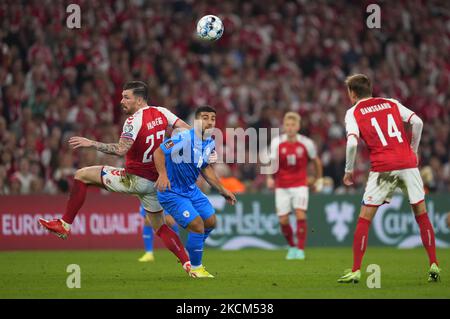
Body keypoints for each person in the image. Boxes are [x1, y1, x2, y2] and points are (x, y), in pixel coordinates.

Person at [39, 81, 192, 274]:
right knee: (160, 227)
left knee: (82, 175)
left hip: (133, 179)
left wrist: (91, 143)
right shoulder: (162, 112)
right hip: (154, 183)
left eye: (126, 97)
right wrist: (170, 147)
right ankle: (189, 264)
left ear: (138, 99)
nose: (122, 101)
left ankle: (64, 224)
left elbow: (120, 150)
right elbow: (187, 130)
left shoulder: (133, 121)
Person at [338, 74, 440, 283]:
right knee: (421, 214)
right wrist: (413, 150)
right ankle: (434, 264)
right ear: (370, 90)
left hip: (383, 168)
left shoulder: (353, 112)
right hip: (408, 164)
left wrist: (348, 170)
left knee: (365, 218)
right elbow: (418, 122)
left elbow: (351, 144)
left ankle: (357, 269)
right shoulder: (390, 103)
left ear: (353, 93)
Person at [153, 106, 237, 278]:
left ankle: (192, 250)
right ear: (196, 121)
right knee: (197, 225)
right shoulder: (183, 137)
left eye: (212, 118)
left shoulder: (209, 142)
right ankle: (196, 268)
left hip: (191, 190)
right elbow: (159, 152)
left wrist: (222, 189)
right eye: (205, 118)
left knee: (211, 222)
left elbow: (205, 168)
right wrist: (162, 175)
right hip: (172, 191)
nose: (210, 121)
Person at [266, 112, 323, 260]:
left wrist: (318, 179)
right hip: (282, 185)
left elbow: (316, 161)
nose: (290, 128)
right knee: (283, 220)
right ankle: (292, 246)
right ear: (284, 126)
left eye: (293, 125)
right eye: (287, 125)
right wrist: (269, 178)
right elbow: (272, 163)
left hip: (300, 184)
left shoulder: (307, 143)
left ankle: (300, 249)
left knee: (300, 214)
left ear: (298, 126)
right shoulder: (276, 142)